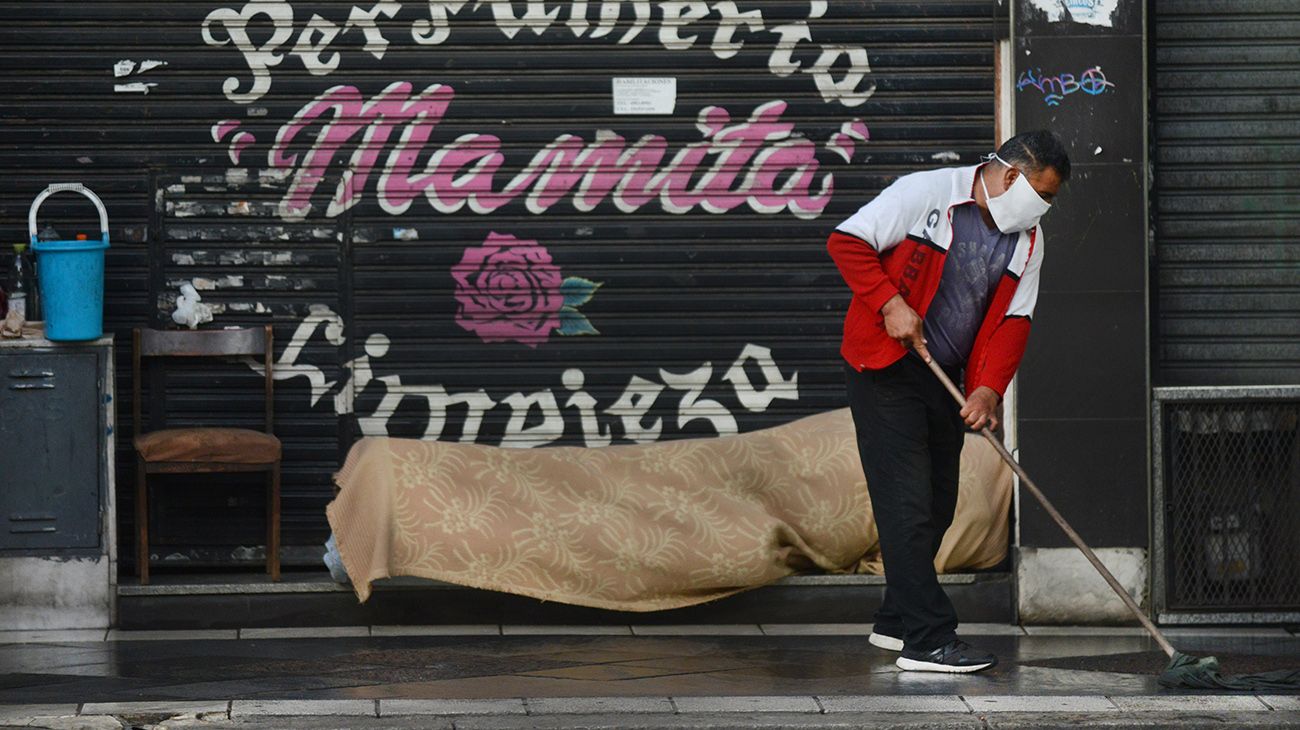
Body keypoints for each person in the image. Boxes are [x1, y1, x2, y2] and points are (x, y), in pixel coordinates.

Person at [827, 130, 1070, 673]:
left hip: (945, 377)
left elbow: (1014, 321)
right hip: (883, 367)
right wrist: (889, 303)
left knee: (937, 503)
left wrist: (988, 389)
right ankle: (929, 640)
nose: (1047, 208)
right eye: (1045, 195)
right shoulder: (926, 193)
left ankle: (897, 619)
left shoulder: (1029, 240)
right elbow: (848, 240)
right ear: (1012, 177)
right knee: (907, 504)